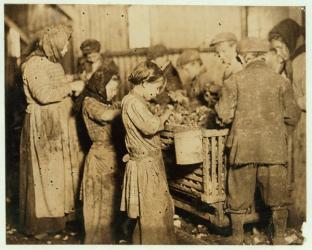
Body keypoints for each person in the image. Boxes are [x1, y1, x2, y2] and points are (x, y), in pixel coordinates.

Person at [215, 37, 300, 244]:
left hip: (242, 150)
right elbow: (293, 115)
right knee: (278, 199)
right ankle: (279, 238)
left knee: (237, 197)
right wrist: (279, 136)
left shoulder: (233, 81)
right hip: (274, 151)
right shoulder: (282, 82)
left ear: (243, 58)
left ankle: (237, 237)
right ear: (263, 56)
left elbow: (224, 116)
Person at [19, 24, 85, 236]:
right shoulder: (33, 65)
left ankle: (60, 221)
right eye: (63, 45)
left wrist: (69, 81)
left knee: (58, 172)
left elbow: (55, 83)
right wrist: (71, 87)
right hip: (42, 125)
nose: (65, 50)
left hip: (58, 122)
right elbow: (44, 95)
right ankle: (41, 225)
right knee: (45, 173)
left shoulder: (52, 63)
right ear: (53, 44)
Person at [120, 61, 176, 244]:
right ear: (144, 82)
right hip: (145, 166)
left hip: (150, 162)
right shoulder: (132, 102)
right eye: (157, 87)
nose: (157, 92)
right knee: (152, 214)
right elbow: (151, 127)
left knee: (155, 212)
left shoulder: (137, 101)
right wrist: (167, 113)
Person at [76, 64, 122, 244]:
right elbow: (105, 116)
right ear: (101, 85)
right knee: (99, 207)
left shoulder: (108, 102)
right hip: (99, 157)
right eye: (111, 88)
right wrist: (128, 108)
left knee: (110, 206)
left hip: (111, 157)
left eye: (117, 88)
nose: (114, 92)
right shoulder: (89, 102)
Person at [269, 18, 306, 229]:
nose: (280, 53)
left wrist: (292, 102)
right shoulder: (294, 60)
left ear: (290, 42)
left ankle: (301, 218)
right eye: (275, 49)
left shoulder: (303, 60)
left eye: (281, 47)